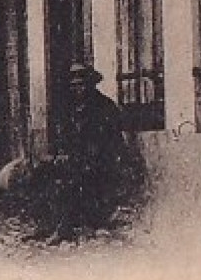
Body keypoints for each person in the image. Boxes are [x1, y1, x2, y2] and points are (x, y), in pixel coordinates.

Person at [37, 63, 142, 242]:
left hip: (102, 160)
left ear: (91, 85)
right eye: (74, 85)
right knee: (44, 173)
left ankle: (67, 227)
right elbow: (63, 137)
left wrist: (84, 155)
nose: (78, 89)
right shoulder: (69, 109)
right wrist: (58, 154)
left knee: (77, 175)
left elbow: (111, 141)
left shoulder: (104, 107)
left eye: (82, 84)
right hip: (77, 159)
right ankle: (49, 224)